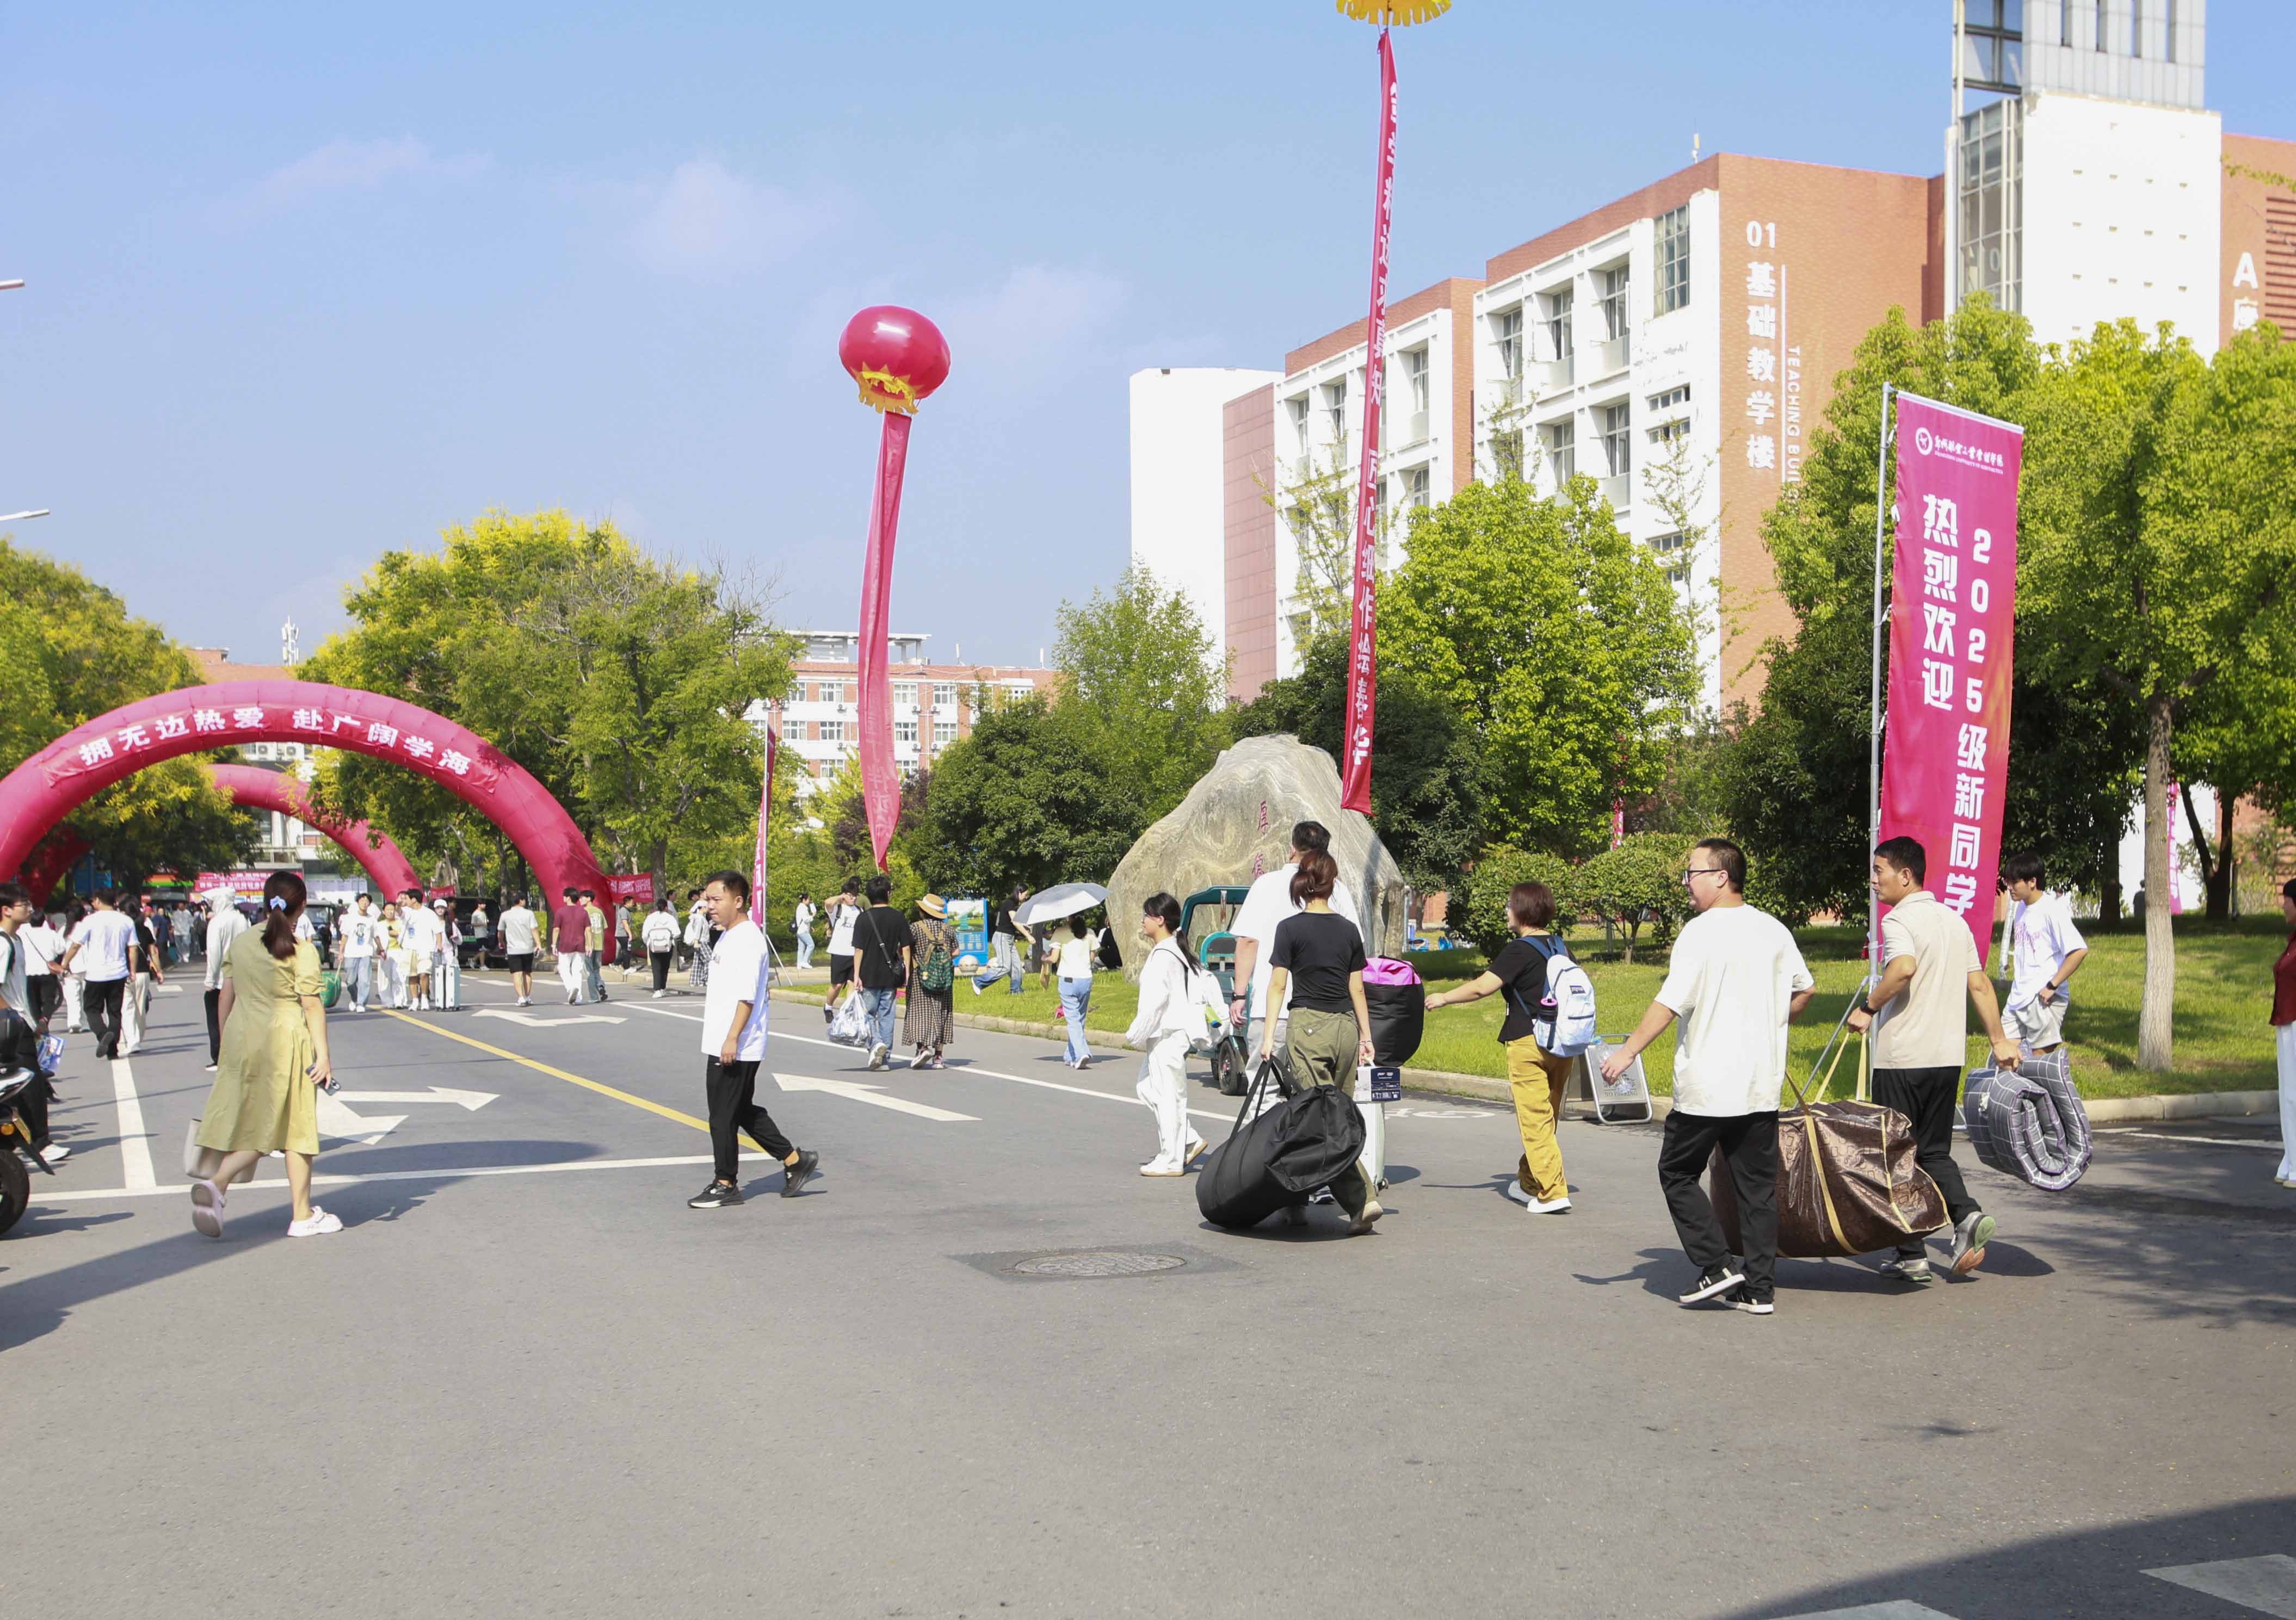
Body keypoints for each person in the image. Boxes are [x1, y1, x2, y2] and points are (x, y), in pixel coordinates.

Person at [1600, 839, 1814, 1314]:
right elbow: (1806, 990)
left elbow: (1670, 1002)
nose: (1686, 883)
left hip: (1707, 1088)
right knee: (1756, 1190)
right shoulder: (1774, 930)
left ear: (1721, 876)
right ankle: (1759, 1290)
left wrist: (1627, 1051)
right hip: (1759, 1087)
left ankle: (1716, 1265)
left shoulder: (1699, 933)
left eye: (1692, 873)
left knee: (1677, 1173)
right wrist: (1771, 1025)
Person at [1845, 836, 2022, 1282]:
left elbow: (1902, 969)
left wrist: (1868, 1008)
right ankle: (1967, 1216)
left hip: (1903, 1058)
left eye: (1879, 871)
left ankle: (1912, 1254)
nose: (1874, 881)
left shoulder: (1898, 920)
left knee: (1895, 1156)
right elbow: (1979, 984)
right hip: (1946, 1058)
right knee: (1933, 1151)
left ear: (1905, 876)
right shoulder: (1954, 921)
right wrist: (1999, 1041)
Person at [186, 870, 341, 1239]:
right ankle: (300, 1214)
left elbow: (226, 995)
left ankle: (220, 1184)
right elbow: (312, 1005)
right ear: (302, 906)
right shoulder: (302, 950)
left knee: (258, 1118)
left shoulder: (242, 943)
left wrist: (224, 1044)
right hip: (286, 1039)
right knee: (296, 1127)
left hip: (242, 1037)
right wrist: (324, 1057)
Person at [1426, 879, 1576, 1215]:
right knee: (1547, 1118)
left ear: (1522, 910)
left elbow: (1483, 987)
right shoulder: (1560, 946)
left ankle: (1553, 1193)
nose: (1506, 911)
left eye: (1509, 905)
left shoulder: (1518, 950)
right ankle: (1530, 1181)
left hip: (1528, 1043)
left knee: (1535, 1120)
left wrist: (1444, 997)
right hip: (1562, 1043)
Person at [1257, 850, 1384, 1235]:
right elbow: (1357, 989)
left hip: (1309, 1026)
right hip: (1345, 1028)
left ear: (1303, 881)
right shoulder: (1348, 930)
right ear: (1332, 883)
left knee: (1320, 1119)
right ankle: (1296, 1199)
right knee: (1336, 1116)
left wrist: (1268, 1036)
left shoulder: (1290, 928)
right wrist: (1366, 1036)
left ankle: (1362, 1198)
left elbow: (1277, 985)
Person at [686, 869, 819, 1209]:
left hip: (736, 1044)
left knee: (722, 1115)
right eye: (707, 899)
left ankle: (725, 1183)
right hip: (728, 1040)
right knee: (741, 1109)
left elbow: (747, 997)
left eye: (716, 899)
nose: (709, 906)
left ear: (738, 901)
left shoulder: (747, 940)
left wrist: (732, 1039)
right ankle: (795, 1161)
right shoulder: (729, 936)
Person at [1230, 820, 1361, 1073]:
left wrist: (1239, 995)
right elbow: (1354, 948)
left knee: (1265, 1085)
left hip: (1272, 1009)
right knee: (1315, 1089)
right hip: (1326, 1013)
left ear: (1292, 848)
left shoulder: (1265, 884)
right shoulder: (1337, 889)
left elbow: (1247, 942)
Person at [1126, 893, 1212, 1177]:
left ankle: (1171, 1159)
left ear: (1160, 920)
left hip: (1168, 1035)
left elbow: (1156, 1002)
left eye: (1147, 915)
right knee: (1147, 1087)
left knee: (1169, 1097)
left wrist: (1135, 1034)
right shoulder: (1171, 949)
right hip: (1167, 1035)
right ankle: (1188, 1139)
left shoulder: (1164, 955)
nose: (1143, 920)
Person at [1999, 852, 2089, 1059]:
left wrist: (2052, 986)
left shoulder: (2051, 910)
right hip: (2018, 996)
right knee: (2005, 1057)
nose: (2009, 887)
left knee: (2038, 1064)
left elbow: (2079, 950)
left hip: (2043, 998)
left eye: (2014, 882)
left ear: (2032, 882)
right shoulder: (2021, 908)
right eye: (2007, 882)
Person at [0, 883, 64, 1165]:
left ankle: (26, 1142)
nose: (29, 908)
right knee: (30, 1084)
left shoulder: (16, 940)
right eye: (23, 904)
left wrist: (34, 1019)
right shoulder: (3, 944)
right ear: (6, 910)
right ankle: (39, 1142)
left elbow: (20, 988)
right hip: (11, 1025)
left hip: (21, 1020)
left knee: (25, 1084)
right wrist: (14, 1019)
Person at [60, 888, 138, 1059]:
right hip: (119, 973)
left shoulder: (90, 920)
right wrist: (132, 971)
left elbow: (76, 945)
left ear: (97, 901)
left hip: (96, 973)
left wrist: (65, 963)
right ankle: (113, 1051)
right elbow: (133, 948)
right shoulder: (126, 921)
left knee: (91, 1009)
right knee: (115, 1012)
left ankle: (103, 1035)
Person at [852, 874, 910, 1072]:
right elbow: (906, 947)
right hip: (891, 976)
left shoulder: (863, 918)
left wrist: (856, 975)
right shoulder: (898, 917)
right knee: (887, 1017)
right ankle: (884, 1060)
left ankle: (876, 1043)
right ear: (887, 894)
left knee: (867, 1014)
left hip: (868, 975)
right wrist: (907, 972)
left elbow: (859, 950)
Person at [905, 893, 958, 1069]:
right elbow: (956, 952)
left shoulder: (915, 928)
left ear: (923, 911)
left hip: (921, 976)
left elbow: (905, 949)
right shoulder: (948, 929)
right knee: (943, 1013)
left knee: (919, 1013)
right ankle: (939, 1057)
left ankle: (922, 1048)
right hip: (944, 978)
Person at [201, 888, 250, 1067]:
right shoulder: (242, 920)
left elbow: (214, 953)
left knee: (215, 1017)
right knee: (237, 1018)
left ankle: (219, 1055)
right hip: (240, 975)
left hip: (221, 978)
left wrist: (210, 980)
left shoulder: (217, 922)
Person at [2272, 878, 2295, 1190]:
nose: (2283, 906)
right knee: (2288, 1095)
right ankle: (2290, 1158)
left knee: (2295, 1095)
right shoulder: (2293, 942)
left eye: (2286, 900)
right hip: (2286, 1023)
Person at [1052, 916, 1101, 1069]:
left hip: (1068, 980)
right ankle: (1070, 1055)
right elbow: (1092, 958)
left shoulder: (1060, 932)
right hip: (1085, 979)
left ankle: (1082, 1053)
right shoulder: (1090, 932)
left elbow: (1053, 958)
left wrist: (1044, 958)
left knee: (1073, 1019)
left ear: (1068, 916)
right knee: (1080, 1018)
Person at [18, 901, 65, 1034]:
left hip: (28, 973)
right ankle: (45, 1019)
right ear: (44, 920)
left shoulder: (22, 933)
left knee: (33, 1002)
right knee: (49, 1000)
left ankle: (37, 1024)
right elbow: (61, 949)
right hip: (47, 972)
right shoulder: (51, 934)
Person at [972, 886, 1028, 996]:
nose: (1026, 897)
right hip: (1002, 938)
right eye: (1025, 895)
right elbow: (1015, 922)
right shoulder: (1009, 903)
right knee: (1004, 967)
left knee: (1017, 965)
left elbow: (1013, 922)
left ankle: (1016, 990)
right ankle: (978, 981)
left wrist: (1026, 927)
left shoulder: (1014, 905)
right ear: (1019, 892)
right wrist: (1028, 936)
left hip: (1009, 939)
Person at [823, 878, 860, 1016]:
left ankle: (848, 1011)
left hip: (854, 953)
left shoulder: (859, 910)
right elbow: (828, 903)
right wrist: (841, 897)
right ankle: (828, 1006)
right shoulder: (837, 909)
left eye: (855, 895)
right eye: (851, 895)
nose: (853, 898)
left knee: (852, 983)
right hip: (839, 952)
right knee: (837, 985)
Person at [401, 888, 442, 1011]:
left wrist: (439, 944)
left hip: (425, 948)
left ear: (414, 900)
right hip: (409, 948)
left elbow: (438, 930)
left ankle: (424, 998)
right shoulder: (406, 912)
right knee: (412, 976)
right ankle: (415, 1001)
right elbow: (398, 912)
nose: (405, 901)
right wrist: (398, 904)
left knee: (424, 974)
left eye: (407, 899)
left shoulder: (429, 914)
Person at [336, 893, 378, 1013]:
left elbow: (376, 935)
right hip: (351, 953)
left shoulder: (372, 919)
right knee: (350, 981)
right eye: (362, 900)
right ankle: (354, 998)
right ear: (358, 902)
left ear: (369, 904)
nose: (365, 903)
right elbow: (345, 936)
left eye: (367, 901)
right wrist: (341, 952)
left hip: (366, 952)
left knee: (364, 980)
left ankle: (361, 1003)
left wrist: (380, 948)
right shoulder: (350, 918)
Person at [498, 893, 540, 1006]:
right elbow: (534, 930)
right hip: (528, 948)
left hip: (513, 949)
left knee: (517, 973)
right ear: (521, 901)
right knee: (527, 973)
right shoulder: (529, 914)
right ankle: (528, 996)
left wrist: (501, 941)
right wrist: (538, 944)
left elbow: (500, 931)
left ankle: (521, 998)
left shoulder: (505, 915)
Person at [552, 887, 591, 1005]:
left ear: (568, 898)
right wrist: (589, 945)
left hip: (565, 945)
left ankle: (571, 989)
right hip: (580, 945)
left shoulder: (561, 912)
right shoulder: (583, 912)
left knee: (563, 969)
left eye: (564, 896)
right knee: (577, 971)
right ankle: (578, 998)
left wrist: (554, 944)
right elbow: (588, 930)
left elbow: (556, 929)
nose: (563, 898)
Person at [58, 902, 89, 1033]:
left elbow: (59, 948)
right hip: (88, 966)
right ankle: (85, 1023)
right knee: (86, 996)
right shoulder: (86, 927)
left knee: (73, 997)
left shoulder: (65, 929)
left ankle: (74, 1022)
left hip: (70, 966)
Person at [642, 898, 681, 997]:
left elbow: (645, 934)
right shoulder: (670, 918)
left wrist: (648, 943)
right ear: (666, 907)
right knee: (665, 967)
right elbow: (677, 933)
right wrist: (671, 938)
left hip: (654, 946)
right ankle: (663, 988)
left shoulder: (650, 918)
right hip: (667, 946)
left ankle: (657, 990)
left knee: (656, 968)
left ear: (656, 907)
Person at [684, 887, 715, 993]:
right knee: (709, 960)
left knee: (699, 961)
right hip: (702, 942)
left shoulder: (701, 918)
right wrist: (696, 941)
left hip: (702, 941)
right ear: (702, 908)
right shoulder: (699, 918)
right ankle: (706, 979)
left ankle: (696, 980)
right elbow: (698, 931)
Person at [793, 893, 818, 972]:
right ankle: (805, 962)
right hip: (803, 931)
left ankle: (799, 965)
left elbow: (803, 920)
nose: (809, 901)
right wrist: (813, 915)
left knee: (801, 948)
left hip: (800, 931)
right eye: (808, 899)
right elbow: (806, 919)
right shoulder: (803, 908)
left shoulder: (800, 907)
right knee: (811, 945)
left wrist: (811, 927)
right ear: (804, 900)